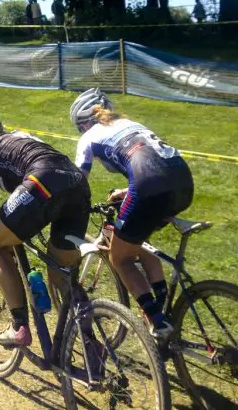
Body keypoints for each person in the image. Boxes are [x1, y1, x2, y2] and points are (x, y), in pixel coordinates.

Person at [0, 105, 91, 348]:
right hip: (77, 181)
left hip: (42, 180)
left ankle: (19, 327)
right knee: (62, 270)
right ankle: (91, 339)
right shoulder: (18, 135)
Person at [69, 88, 194, 338]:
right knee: (140, 242)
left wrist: (69, 205)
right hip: (183, 182)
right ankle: (160, 306)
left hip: (148, 185)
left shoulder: (89, 136)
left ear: (83, 124)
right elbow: (153, 161)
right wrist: (129, 190)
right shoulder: (130, 123)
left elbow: (78, 181)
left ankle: (157, 321)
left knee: (121, 259)